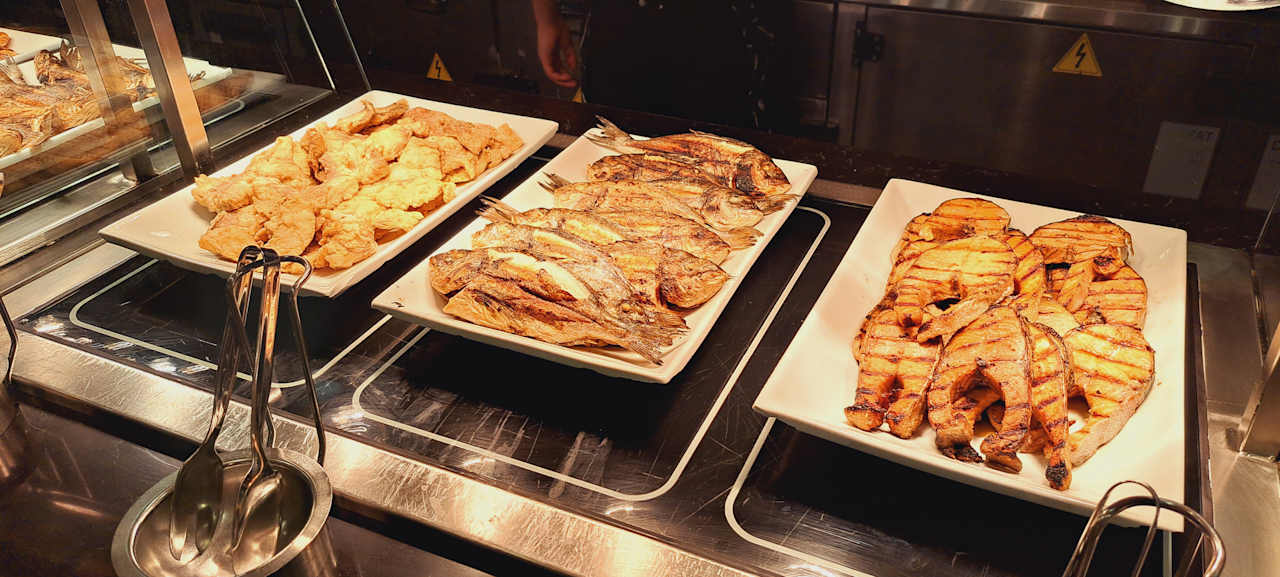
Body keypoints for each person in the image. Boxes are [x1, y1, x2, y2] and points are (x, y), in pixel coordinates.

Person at [531, 0, 762, 128]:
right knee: (612, 147)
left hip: (714, 27)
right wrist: (546, 16)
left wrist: (547, 17)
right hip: (618, 27)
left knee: (724, 152)